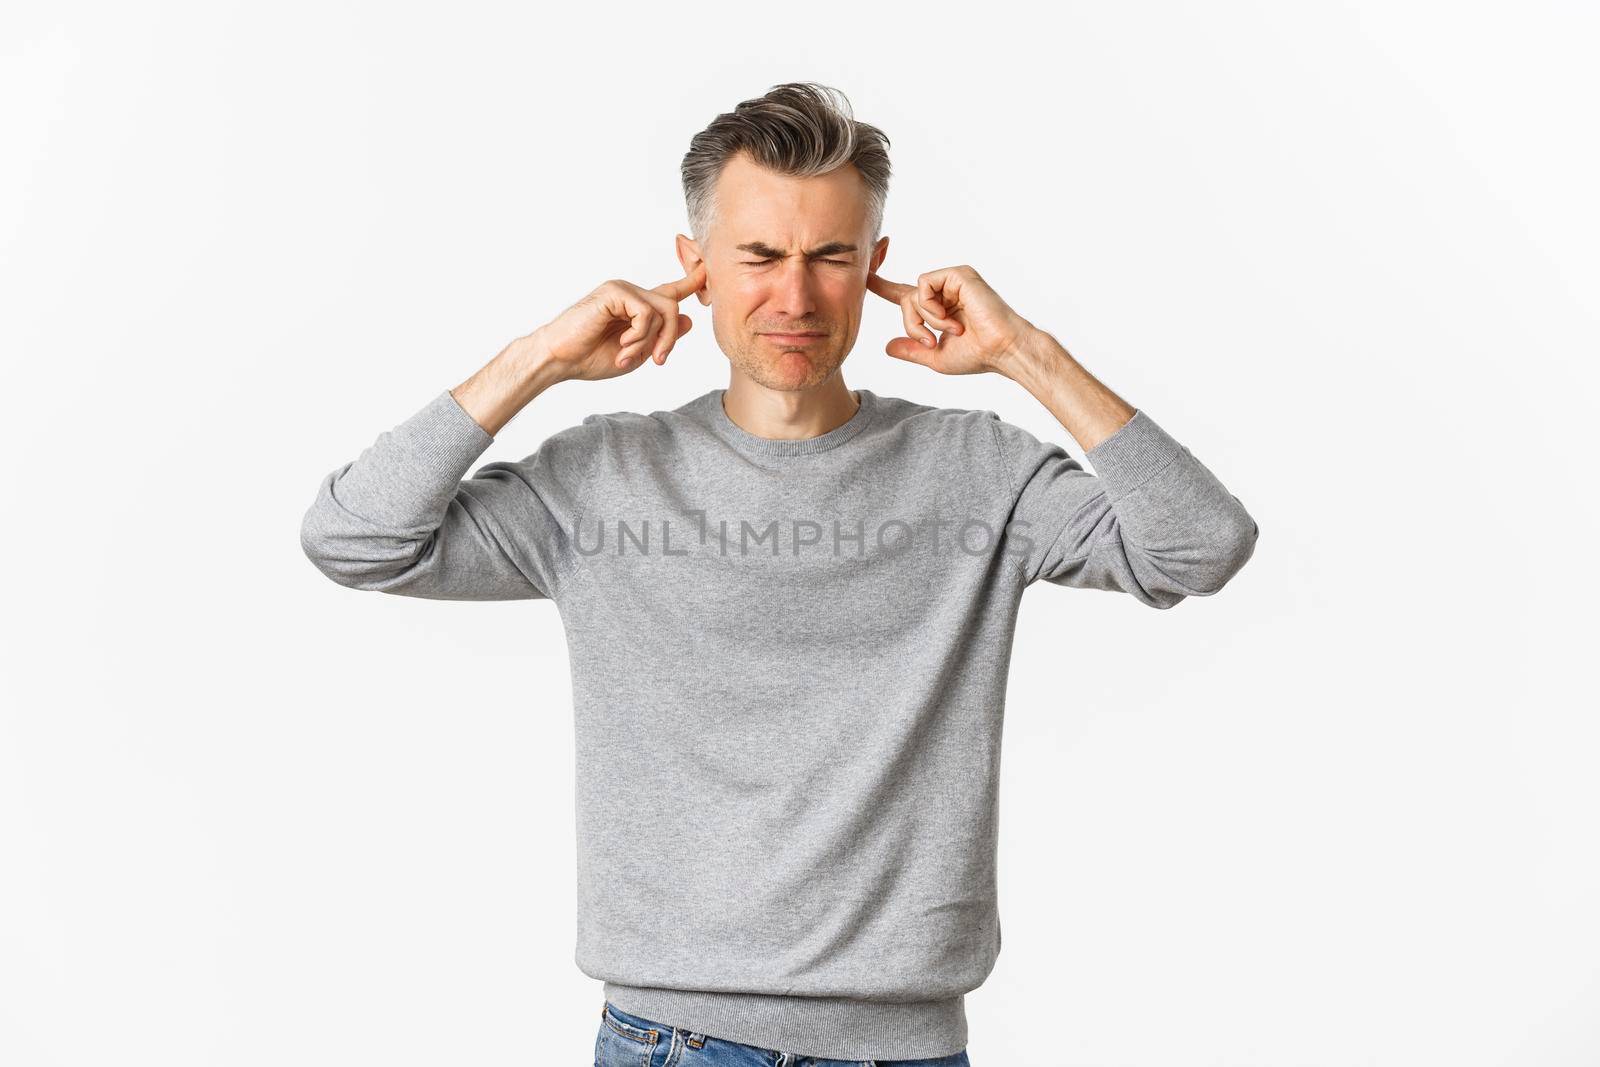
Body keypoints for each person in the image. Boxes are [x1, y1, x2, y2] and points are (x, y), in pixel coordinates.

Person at [299, 82, 1259, 1066]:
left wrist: (1025, 353)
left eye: (830, 257)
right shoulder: (601, 480)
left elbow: (1198, 544)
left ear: (875, 266)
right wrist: (537, 359)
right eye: (758, 257)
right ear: (695, 267)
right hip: (671, 1038)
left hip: (906, 1045)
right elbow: (355, 536)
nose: (795, 299)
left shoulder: (980, 472)